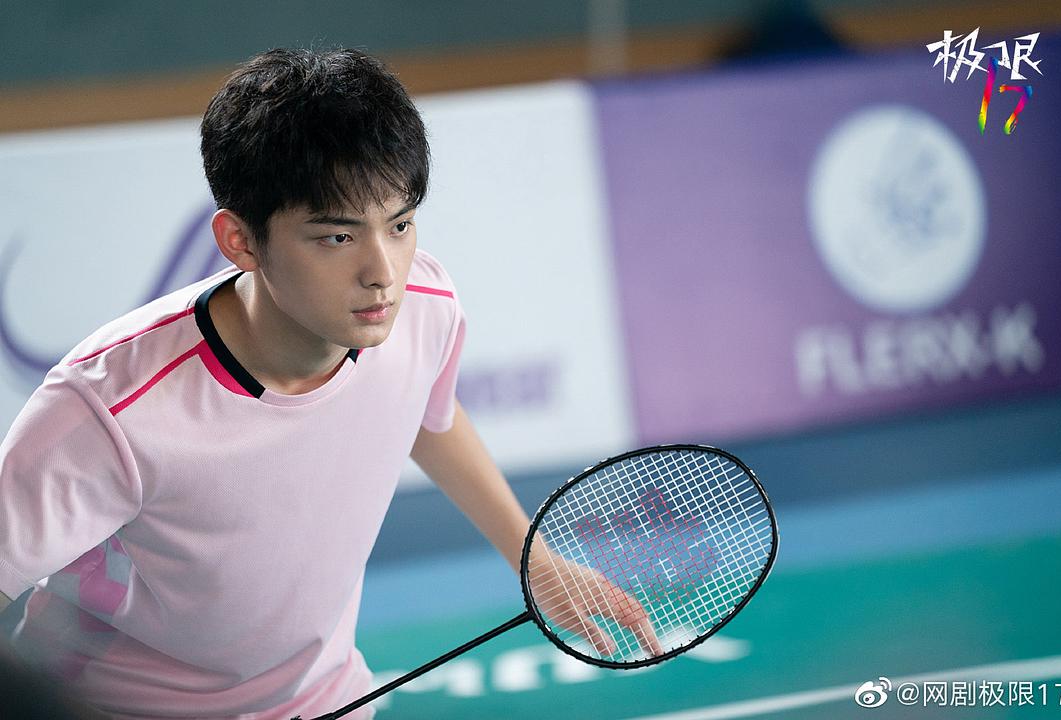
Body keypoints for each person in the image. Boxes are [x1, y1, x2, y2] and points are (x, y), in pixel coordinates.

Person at [0, 48, 660, 719]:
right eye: (337, 238)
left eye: (399, 226)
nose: (384, 273)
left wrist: (533, 558)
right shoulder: (109, 408)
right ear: (240, 241)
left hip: (323, 697)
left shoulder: (423, 309)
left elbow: (426, 412)